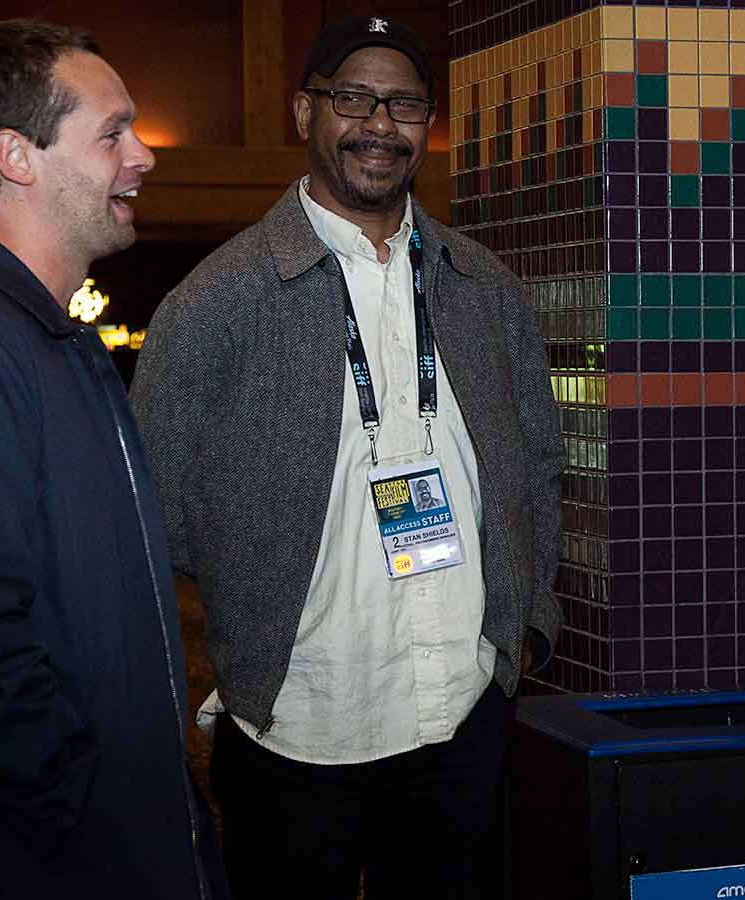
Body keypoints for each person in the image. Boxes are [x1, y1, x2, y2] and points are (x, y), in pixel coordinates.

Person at [130, 15, 564, 900]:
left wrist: (525, 632)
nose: (379, 123)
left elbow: (538, 471)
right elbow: (153, 514)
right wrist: (241, 641)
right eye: (352, 98)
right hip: (300, 724)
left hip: (462, 714)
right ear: (305, 112)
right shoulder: (219, 300)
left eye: (403, 104)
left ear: (428, 122)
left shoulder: (485, 289)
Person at [0, 20, 223, 899]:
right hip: (53, 858)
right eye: (113, 133)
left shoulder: (63, 344)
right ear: (16, 157)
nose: (142, 156)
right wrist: (83, 805)